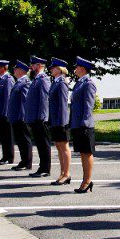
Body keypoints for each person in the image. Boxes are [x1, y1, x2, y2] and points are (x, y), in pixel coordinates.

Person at [69, 57, 98, 193]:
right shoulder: (79, 83)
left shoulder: (88, 83)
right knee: (83, 153)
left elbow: (88, 105)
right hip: (78, 123)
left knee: (87, 153)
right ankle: (85, 180)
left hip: (84, 125)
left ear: (82, 68)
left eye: (77, 67)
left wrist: (84, 124)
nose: (75, 69)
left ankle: (87, 181)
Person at [25, 56, 52, 178]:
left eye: (34, 64)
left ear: (40, 65)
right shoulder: (36, 79)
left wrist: (42, 117)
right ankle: (42, 167)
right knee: (40, 144)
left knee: (43, 144)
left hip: (40, 118)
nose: (31, 67)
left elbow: (44, 99)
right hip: (35, 117)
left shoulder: (43, 79)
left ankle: (45, 168)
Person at [47, 58, 73, 186]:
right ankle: (62, 173)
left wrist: (61, 121)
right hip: (55, 119)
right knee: (59, 146)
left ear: (60, 69)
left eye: (53, 68)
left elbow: (63, 103)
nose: (51, 69)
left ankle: (66, 174)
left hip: (60, 120)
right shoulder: (56, 82)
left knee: (64, 147)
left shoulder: (62, 83)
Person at [7, 61, 33, 171]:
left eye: (16, 69)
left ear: (22, 71)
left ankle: (27, 162)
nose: (14, 71)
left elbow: (24, 101)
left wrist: (22, 117)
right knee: (20, 140)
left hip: (21, 116)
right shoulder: (19, 82)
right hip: (16, 116)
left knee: (24, 139)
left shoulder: (25, 82)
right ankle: (23, 161)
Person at [0, 60, 15, 165]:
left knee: (7, 136)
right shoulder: (2, 79)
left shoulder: (8, 79)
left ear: (3, 68)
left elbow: (8, 98)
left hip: (5, 113)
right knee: (3, 136)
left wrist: (6, 113)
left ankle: (9, 157)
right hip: (0, 112)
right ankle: (5, 156)